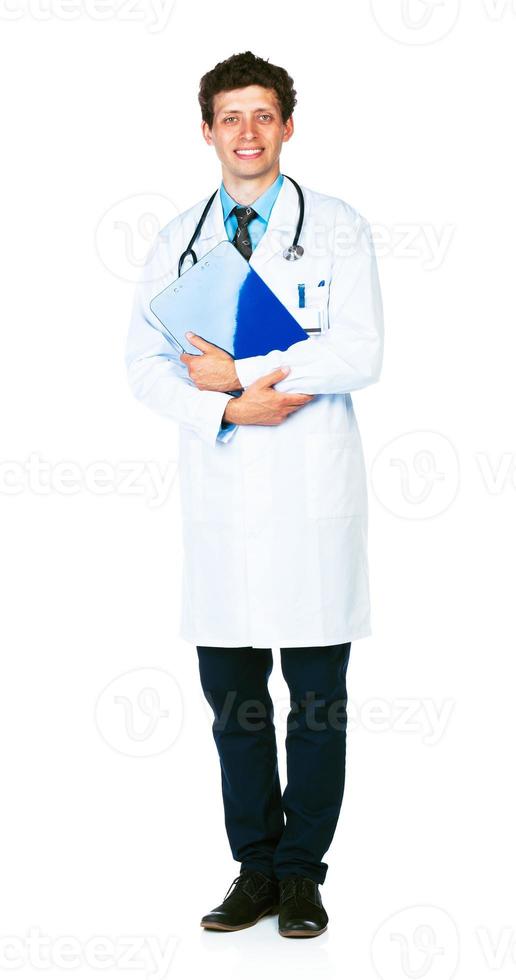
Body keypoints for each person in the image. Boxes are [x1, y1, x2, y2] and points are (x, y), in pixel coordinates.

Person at [125, 50, 384, 939]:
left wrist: (239, 368)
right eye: (229, 117)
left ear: (287, 125)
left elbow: (361, 351)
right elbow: (145, 370)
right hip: (225, 496)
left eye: (263, 115)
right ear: (207, 130)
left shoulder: (340, 229)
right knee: (234, 705)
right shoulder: (176, 240)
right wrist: (231, 406)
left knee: (316, 704)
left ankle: (304, 873)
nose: (246, 132)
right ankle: (255, 869)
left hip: (312, 497)